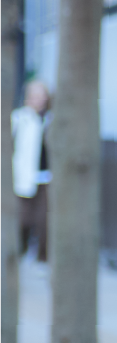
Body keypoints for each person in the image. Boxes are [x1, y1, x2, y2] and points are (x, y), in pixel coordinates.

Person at [10, 80, 51, 261]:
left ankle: (42, 257)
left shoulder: (50, 119)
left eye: (41, 96)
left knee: (44, 219)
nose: (38, 100)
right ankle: (20, 252)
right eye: (34, 96)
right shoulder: (19, 119)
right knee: (23, 218)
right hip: (23, 175)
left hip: (46, 177)